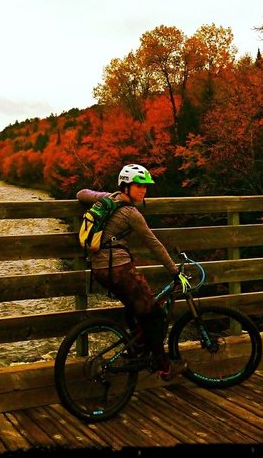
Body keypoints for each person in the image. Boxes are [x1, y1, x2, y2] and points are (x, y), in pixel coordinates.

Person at [76, 163, 188, 381]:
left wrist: (101, 196)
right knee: (155, 314)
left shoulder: (108, 199)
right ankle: (164, 366)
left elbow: (81, 193)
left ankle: (137, 348)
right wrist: (175, 271)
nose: (143, 190)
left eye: (145, 187)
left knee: (136, 306)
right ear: (126, 186)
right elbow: (154, 245)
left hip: (100, 269)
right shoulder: (131, 214)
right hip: (119, 269)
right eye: (138, 186)